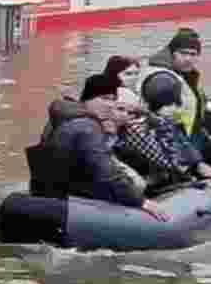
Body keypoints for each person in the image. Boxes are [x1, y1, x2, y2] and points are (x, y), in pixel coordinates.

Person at [35, 74, 169, 221]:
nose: (110, 105)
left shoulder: (61, 119)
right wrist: (141, 201)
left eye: (113, 99)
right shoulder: (87, 127)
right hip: (71, 208)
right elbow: (105, 173)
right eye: (104, 98)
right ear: (88, 99)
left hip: (50, 200)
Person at [137, 28, 211, 171]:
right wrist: (196, 162)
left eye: (193, 54)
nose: (188, 58)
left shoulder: (182, 74)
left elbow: (192, 115)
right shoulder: (163, 80)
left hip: (191, 137)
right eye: (183, 53)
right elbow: (167, 128)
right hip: (173, 145)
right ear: (172, 53)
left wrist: (206, 136)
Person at [115, 73, 211, 194]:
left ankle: (197, 169)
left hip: (164, 171)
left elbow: (176, 148)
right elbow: (165, 159)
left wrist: (194, 165)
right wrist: (188, 174)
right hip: (157, 178)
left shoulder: (154, 121)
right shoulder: (139, 128)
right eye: (121, 110)